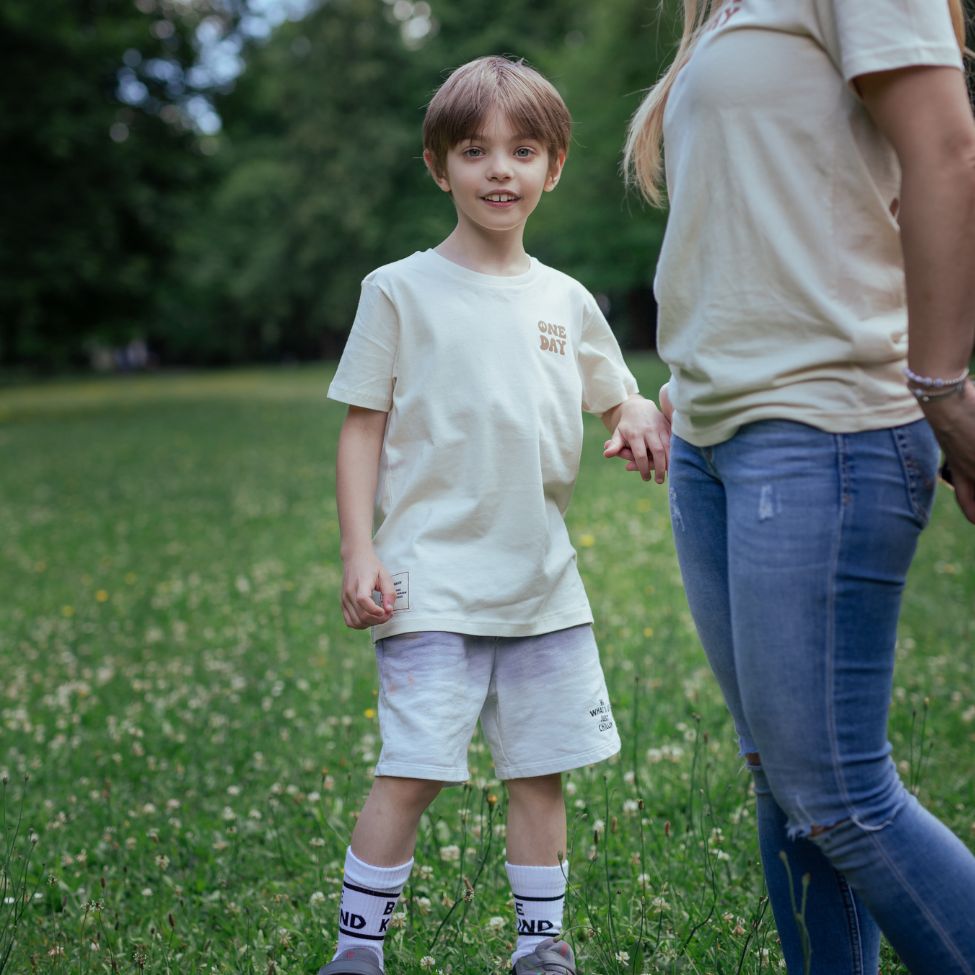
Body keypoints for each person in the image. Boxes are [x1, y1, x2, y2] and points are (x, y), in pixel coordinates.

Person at [619, 1, 975, 972]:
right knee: (784, 784)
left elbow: (946, 153)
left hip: (825, 430)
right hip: (712, 433)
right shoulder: (729, 12)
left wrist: (940, 385)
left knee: (838, 797)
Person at [321, 55, 671, 975]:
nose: (499, 170)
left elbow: (617, 395)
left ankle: (538, 947)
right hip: (429, 577)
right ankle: (358, 951)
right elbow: (362, 429)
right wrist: (359, 550)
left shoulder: (565, 299)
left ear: (553, 167)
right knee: (414, 770)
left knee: (539, 772)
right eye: (474, 151)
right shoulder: (397, 289)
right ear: (439, 166)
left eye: (523, 150)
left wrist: (635, 412)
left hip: (541, 584)